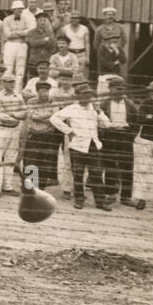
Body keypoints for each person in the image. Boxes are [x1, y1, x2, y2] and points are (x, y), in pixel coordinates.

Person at [50, 82, 113, 210]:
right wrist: (69, 131)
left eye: (89, 94)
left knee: (96, 174)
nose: (88, 97)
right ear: (78, 96)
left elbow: (107, 125)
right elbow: (54, 118)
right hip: (77, 146)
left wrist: (99, 111)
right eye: (85, 94)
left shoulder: (94, 108)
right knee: (78, 174)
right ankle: (79, 199)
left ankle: (100, 201)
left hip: (93, 144)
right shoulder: (71, 108)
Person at [99, 76, 141, 208]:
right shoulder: (104, 104)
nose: (120, 91)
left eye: (123, 89)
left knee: (127, 166)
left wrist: (131, 136)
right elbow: (98, 121)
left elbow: (136, 121)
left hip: (125, 136)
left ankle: (126, 196)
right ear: (110, 89)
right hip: (109, 136)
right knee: (109, 166)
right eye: (117, 89)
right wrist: (103, 136)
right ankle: (111, 194)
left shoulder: (130, 104)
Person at [0, 72, 27, 196]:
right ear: (3, 82)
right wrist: (16, 117)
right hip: (1, 129)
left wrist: (13, 115)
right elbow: (1, 116)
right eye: (8, 81)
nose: (10, 84)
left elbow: (25, 113)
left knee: (11, 158)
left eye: (12, 81)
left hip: (15, 130)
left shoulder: (19, 96)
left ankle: (7, 186)